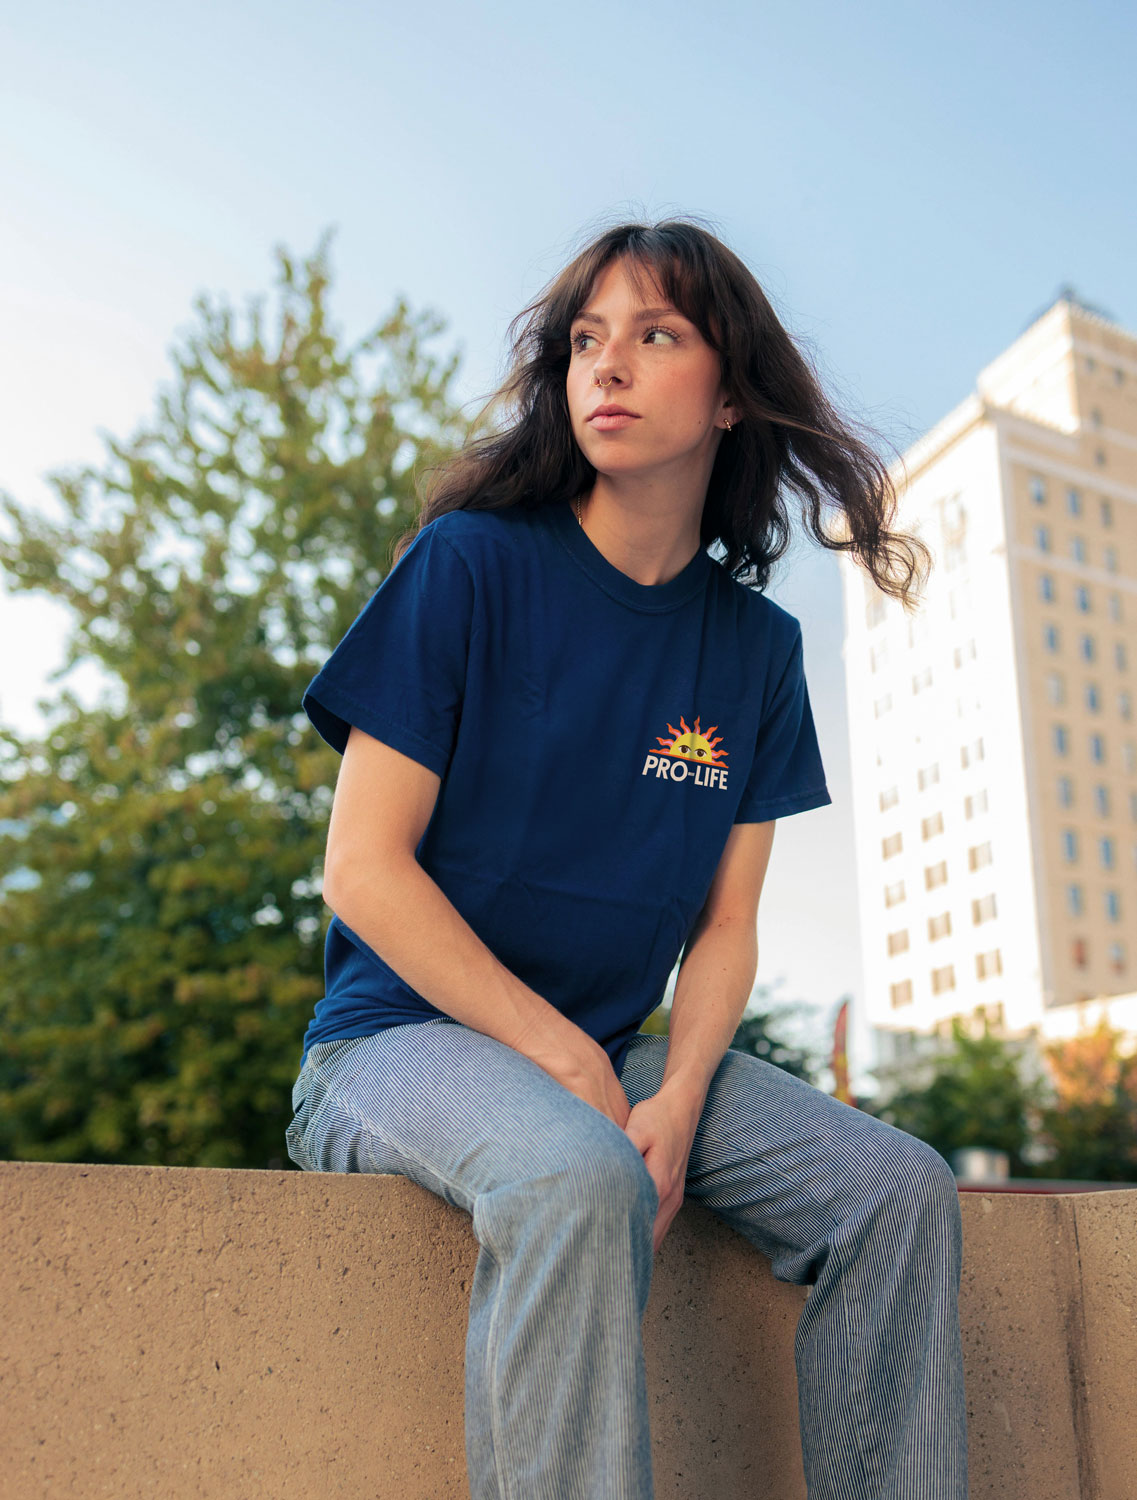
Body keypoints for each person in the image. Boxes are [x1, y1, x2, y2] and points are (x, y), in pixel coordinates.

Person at [284, 217, 968, 1500]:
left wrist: (679, 1095)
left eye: (657, 337)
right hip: (394, 1040)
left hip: (617, 1047)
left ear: (728, 398)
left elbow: (724, 929)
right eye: (589, 340)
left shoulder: (754, 654)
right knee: (575, 1173)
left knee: (899, 1193)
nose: (609, 365)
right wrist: (568, 1068)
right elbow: (364, 872)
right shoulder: (470, 566)